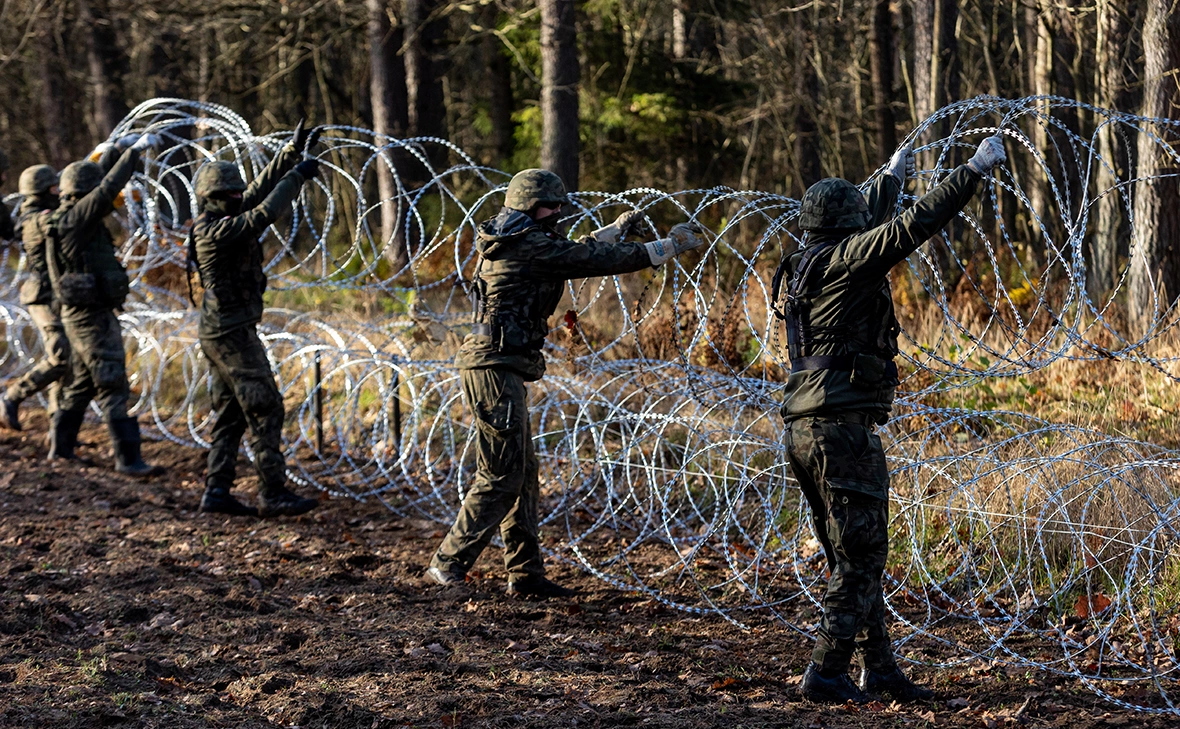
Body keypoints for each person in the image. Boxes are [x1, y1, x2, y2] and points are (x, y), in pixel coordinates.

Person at [781, 135, 1008, 704]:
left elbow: (865, 231)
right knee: (861, 557)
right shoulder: (847, 261)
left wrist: (888, 178)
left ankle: (879, 669)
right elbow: (904, 231)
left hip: (807, 428)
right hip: (842, 429)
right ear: (846, 226)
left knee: (853, 557)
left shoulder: (805, 264)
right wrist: (971, 171)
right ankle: (826, 671)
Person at [426, 168, 705, 597]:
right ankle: (446, 564)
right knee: (502, 475)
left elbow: (570, 252)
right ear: (528, 207)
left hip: (500, 363)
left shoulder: (515, 236)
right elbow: (585, 260)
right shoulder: (527, 244)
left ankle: (525, 576)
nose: (557, 212)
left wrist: (611, 231)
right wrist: (668, 246)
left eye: (558, 205)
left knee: (522, 473)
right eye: (550, 206)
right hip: (494, 366)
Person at [191, 120, 323, 518]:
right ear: (213, 197)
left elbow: (254, 193)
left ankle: (217, 491)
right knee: (265, 406)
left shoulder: (223, 213)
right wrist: (298, 176)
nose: (237, 197)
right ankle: (272, 491)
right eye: (228, 193)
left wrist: (290, 152)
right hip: (230, 333)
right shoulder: (215, 230)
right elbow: (263, 211)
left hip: (224, 329)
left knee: (231, 412)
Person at [46, 134, 163, 474]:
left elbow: (101, 187)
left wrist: (111, 150)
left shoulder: (73, 218)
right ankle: (129, 460)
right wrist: (133, 154)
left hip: (83, 314)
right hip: (90, 317)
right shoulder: (76, 219)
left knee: (82, 383)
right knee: (112, 381)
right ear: (84, 193)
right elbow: (108, 188)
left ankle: (60, 449)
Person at [1, 165, 68, 430]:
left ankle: (59, 433)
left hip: (60, 294)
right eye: (53, 188)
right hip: (42, 294)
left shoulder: (43, 212)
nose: (58, 191)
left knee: (68, 365)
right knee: (62, 356)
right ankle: (12, 396)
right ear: (42, 192)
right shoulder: (36, 219)